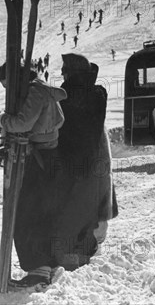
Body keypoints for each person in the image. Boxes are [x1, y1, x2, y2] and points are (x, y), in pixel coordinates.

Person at [0, 63, 67, 288]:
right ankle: (45, 265)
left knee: (26, 214)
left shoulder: (34, 91)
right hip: (47, 156)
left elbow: (22, 122)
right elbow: (58, 120)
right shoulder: (43, 89)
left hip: (36, 159)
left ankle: (38, 269)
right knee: (39, 212)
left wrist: (0, 120)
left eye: (7, 87)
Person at [55, 54, 118, 270]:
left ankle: (73, 260)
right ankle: (82, 257)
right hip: (93, 158)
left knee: (72, 211)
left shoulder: (65, 96)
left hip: (69, 160)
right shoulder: (97, 93)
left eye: (65, 70)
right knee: (90, 209)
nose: (62, 74)